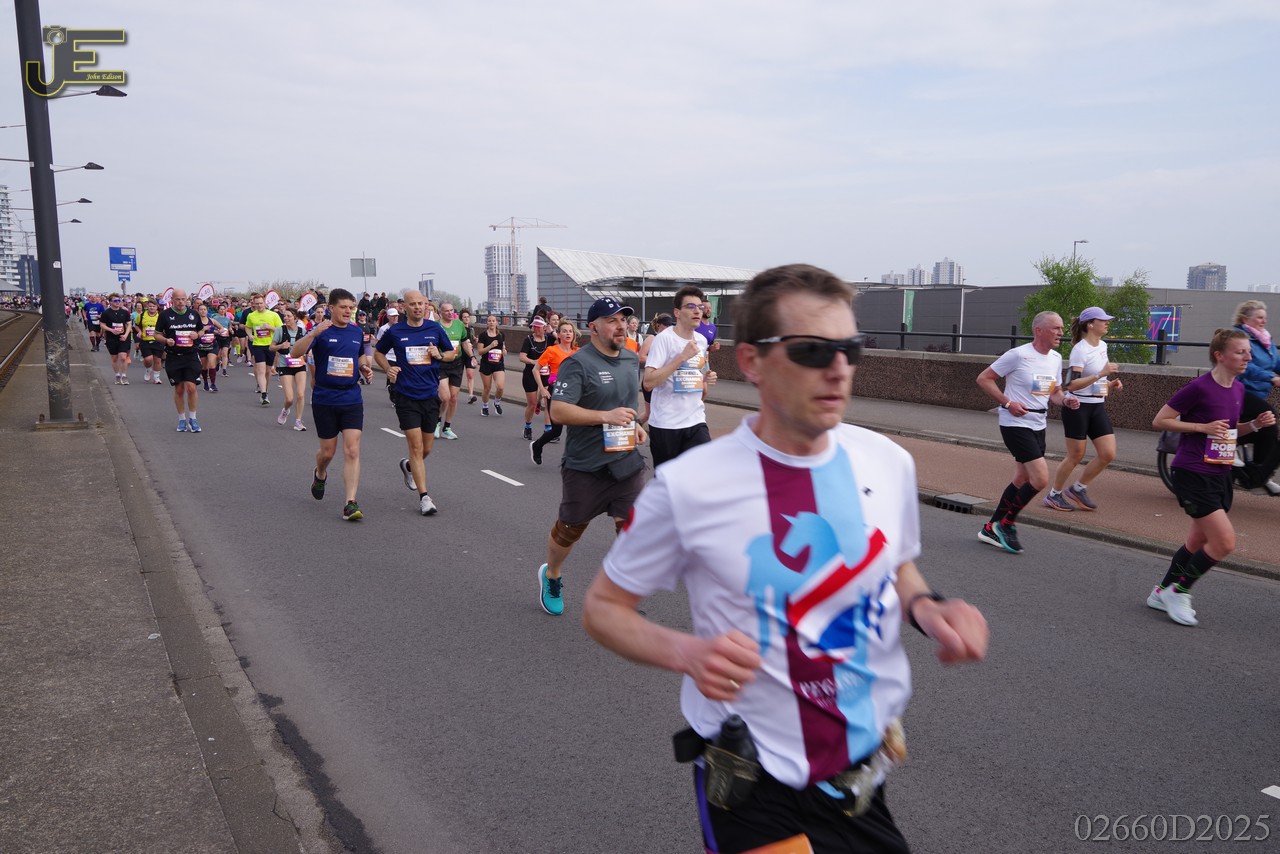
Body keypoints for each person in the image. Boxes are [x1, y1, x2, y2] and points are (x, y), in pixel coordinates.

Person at [581, 264, 988, 853]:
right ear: (752, 362)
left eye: (850, 348)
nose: (838, 367)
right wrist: (687, 653)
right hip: (754, 780)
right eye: (812, 350)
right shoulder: (690, 485)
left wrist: (928, 608)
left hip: (859, 772)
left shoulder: (886, 462)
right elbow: (603, 609)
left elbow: (894, 563)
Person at [1148, 328, 1273, 626]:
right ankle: (1180, 592)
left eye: (1248, 352)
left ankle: (1161, 591)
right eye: (1240, 352)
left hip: (1221, 472)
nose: (1248, 357)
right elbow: (1160, 420)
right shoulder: (1199, 387)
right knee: (1225, 541)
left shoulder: (1238, 390)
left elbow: (1228, 430)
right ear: (1220, 355)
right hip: (1192, 472)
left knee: (1197, 539)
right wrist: (1200, 428)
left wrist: (1254, 425)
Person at [534, 298, 645, 617]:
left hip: (625, 461)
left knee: (630, 529)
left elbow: (626, 403)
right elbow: (558, 410)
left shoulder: (630, 358)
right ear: (593, 327)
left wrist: (635, 424)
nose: (621, 326)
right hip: (586, 465)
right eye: (612, 321)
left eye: (623, 320)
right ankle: (552, 574)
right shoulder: (577, 363)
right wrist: (605, 417)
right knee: (570, 530)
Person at [975, 311, 1081, 554]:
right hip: (1015, 423)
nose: (1061, 333)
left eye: (1061, 328)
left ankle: (990, 528)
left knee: (1022, 478)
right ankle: (1006, 524)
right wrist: (1007, 402)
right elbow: (984, 378)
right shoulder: (1018, 355)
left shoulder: (1055, 358)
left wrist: (1066, 401)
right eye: (1056, 328)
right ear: (1039, 330)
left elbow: (1054, 392)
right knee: (1040, 479)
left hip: (1038, 423)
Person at [291, 288, 374, 521]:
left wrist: (364, 367)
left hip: (351, 397)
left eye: (351, 308)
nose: (348, 311)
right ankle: (320, 473)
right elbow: (295, 353)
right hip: (325, 398)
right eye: (343, 307)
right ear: (331, 308)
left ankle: (350, 503)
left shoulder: (356, 332)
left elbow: (358, 356)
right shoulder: (321, 331)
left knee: (352, 449)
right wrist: (313, 334)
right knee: (328, 452)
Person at [374, 288, 456, 516]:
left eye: (421, 303)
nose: (418, 307)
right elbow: (378, 353)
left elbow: (451, 353)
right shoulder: (395, 331)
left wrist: (440, 355)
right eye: (413, 304)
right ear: (405, 307)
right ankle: (425, 498)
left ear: (426, 305)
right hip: (405, 396)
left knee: (426, 448)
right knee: (417, 447)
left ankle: (409, 466)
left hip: (430, 395)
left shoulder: (434, 328)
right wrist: (388, 368)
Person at [1044, 307, 1124, 511]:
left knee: (1108, 454)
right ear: (1090, 325)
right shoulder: (1080, 350)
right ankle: (1054, 495)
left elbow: (1097, 380)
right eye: (1103, 320)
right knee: (1076, 455)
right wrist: (1101, 374)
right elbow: (1072, 385)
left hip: (1097, 406)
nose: (1107, 323)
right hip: (1077, 407)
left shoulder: (1103, 345)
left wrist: (1109, 384)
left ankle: (1078, 488)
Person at [643, 286, 719, 466]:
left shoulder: (701, 340)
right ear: (677, 312)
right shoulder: (664, 339)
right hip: (666, 424)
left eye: (700, 307)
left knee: (702, 471)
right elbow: (648, 382)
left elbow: (693, 372)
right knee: (668, 479)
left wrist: (705, 377)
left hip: (695, 420)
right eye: (691, 306)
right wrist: (681, 357)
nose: (697, 311)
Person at [1231, 300, 1280, 494]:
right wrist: (1271, 377)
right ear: (1245, 319)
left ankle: (1260, 475)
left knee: (1267, 430)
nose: (1263, 321)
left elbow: (1277, 363)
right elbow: (1246, 366)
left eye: (1264, 318)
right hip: (1237, 390)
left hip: (1257, 394)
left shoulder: (1266, 340)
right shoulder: (1238, 338)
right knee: (1269, 414)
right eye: (1259, 317)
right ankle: (1229, 444)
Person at [154, 289, 205, 433]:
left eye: (183, 299)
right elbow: (156, 334)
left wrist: (197, 335)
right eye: (177, 299)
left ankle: (193, 419)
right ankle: (182, 419)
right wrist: (166, 340)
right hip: (174, 356)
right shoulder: (165, 315)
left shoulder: (193, 314)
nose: (181, 302)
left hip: (191, 355)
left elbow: (201, 330)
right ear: (172, 299)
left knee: (191, 387)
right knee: (179, 389)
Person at [529, 320, 580, 466]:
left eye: (570, 331)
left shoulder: (578, 352)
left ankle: (571, 459)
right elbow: (535, 369)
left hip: (574, 392)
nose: (568, 334)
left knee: (577, 427)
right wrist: (542, 389)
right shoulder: (552, 350)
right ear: (559, 334)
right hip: (556, 392)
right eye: (564, 331)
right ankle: (537, 445)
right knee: (556, 431)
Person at [435, 302, 469, 439]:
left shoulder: (459, 325)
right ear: (440, 312)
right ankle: (437, 422)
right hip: (441, 363)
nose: (450, 313)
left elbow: (464, 342)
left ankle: (447, 428)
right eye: (447, 311)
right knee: (445, 397)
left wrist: (472, 356)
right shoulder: (436, 326)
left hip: (457, 363)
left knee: (454, 398)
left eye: (452, 310)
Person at [272, 307, 309, 431]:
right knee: (289, 398)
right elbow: (271, 347)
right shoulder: (280, 330)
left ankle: (298, 421)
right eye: (285, 316)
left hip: (299, 364)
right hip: (285, 365)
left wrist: (308, 352)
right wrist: (281, 346)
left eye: (288, 316)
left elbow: (307, 347)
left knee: (300, 395)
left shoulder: (302, 331)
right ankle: (285, 410)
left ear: (295, 318)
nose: (286, 318)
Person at [245, 293, 283, 406]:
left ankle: (265, 389)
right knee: (261, 370)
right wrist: (250, 335)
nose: (259, 305)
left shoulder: (273, 315)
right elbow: (248, 327)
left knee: (268, 371)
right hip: (258, 345)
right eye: (257, 304)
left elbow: (281, 330)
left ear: (265, 303)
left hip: (271, 345)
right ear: (253, 304)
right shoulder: (251, 315)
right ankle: (264, 394)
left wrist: (269, 327)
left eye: (261, 303)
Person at [636, 313, 673, 425]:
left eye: (670, 325)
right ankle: (635, 428)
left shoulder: (671, 340)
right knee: (650, 412)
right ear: (658, 325)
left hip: (665, 379)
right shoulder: (652, 338)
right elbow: (641, 357)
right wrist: (657, 362)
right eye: (666, 325)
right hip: (651, 378)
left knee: (664, 410)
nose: (668, 327)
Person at [519, 317, 550, 440]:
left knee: (548, 402)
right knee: (531, 404)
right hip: (530, 374)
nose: (536, 329)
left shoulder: (549, 339)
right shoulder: (528, 340)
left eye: (539, 326)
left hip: (546, 374)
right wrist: (534, 362)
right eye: (534, 326)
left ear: (544, 327)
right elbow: (522, 357)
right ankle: (528, 426)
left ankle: (548, 429)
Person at [476, 314, 507, 417]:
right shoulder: (483, 335)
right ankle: (485, 406)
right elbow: (480, 351)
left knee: (500, 387)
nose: (491, 323)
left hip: (498, 363)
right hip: (486, 364)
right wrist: (490, 346)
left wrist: (504, 350)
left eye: (493, 321)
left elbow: (503, 346)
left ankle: (496, 402)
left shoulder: (501, 334)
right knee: (487, 388)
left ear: (496, 322)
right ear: (487, 323)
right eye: (489, 321)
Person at [99, 295, 134, 385]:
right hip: (111, 338)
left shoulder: (124, 312)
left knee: (123, 357)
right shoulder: (106, 313)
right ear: (110, 302)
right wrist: (111, 330)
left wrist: (126, 335)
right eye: (115, 301)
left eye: (119, 300)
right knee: (114, 358)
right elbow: (102, 324)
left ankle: (124, 376)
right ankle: (117, 375)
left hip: (123, 337)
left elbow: (129, 324)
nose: (117, 302)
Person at [137, 300, 165, 384]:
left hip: (158, 340)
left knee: (157, 360)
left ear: (157, 307)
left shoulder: (161, 316)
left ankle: (156, 378)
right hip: (145, 340)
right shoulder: (142, 315)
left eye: (154, 306)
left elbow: (165, 327)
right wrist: (139, 331)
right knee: (148, 359)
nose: (152, 308)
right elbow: (136, 325)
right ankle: (148, 370)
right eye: (150, 306)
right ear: (147, 307)